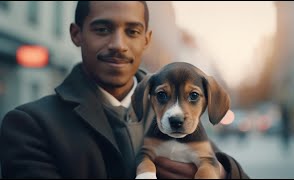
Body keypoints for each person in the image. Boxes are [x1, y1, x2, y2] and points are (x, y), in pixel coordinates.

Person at [0, 1, 249, 179]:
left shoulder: (178, 116)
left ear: (147, 40)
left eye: (132, 31)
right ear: (77, 34)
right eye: (102, 29)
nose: (119, 45)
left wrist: (224, 173)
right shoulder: (28, 125)